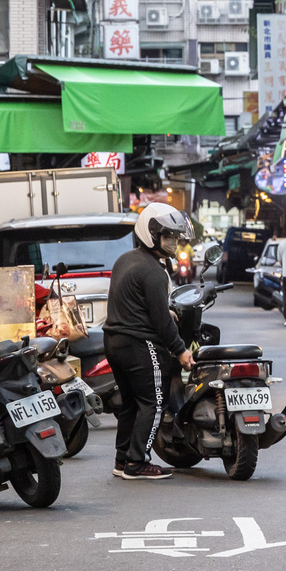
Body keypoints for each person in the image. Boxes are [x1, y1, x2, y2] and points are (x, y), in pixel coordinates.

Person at [104, 202, 195, 481]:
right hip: (139, 345)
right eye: (168, 237)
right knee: (155, 403)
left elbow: (135, 302)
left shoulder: (127, 260)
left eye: (175, 237)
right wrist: (180, 351)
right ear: (151, 235)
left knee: (131, 404)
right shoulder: (153, 271)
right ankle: (137, 462)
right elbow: (160, 320)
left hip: (114, 342)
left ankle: (122, 460)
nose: (174, 243)